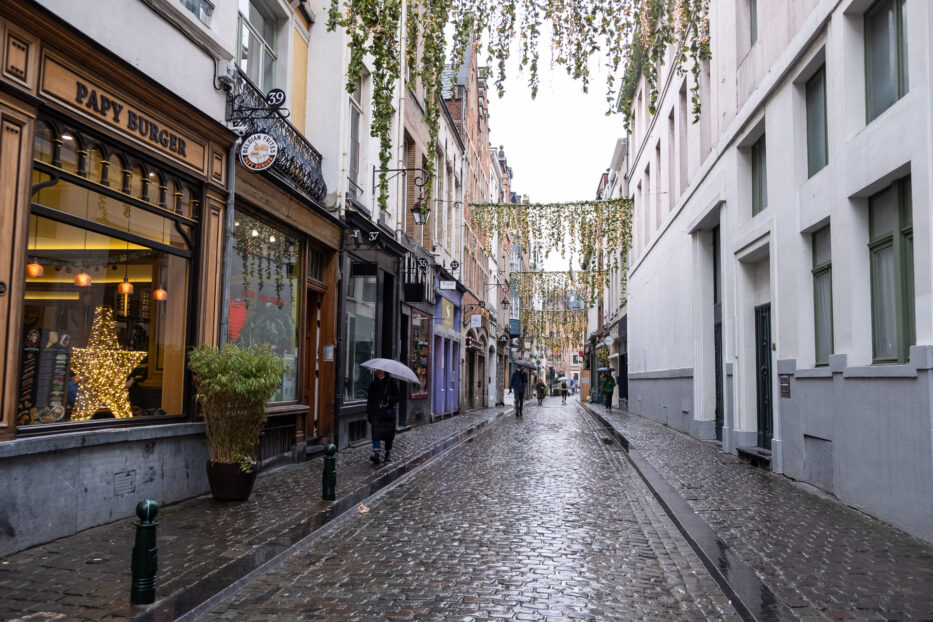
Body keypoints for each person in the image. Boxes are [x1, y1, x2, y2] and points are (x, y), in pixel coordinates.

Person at [366, 369, 399, 463]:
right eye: (377, 371)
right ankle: (376, 453)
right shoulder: (373, 384)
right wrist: (369, 412)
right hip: (376, 412)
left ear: (385, 372)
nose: (378, 373)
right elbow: (370, 399)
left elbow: (398, 397)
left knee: (389, 434)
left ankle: (388, 453)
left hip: (388, 413)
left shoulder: (391, 383)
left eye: (380, 371)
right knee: (375, 432)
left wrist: (389, 398)